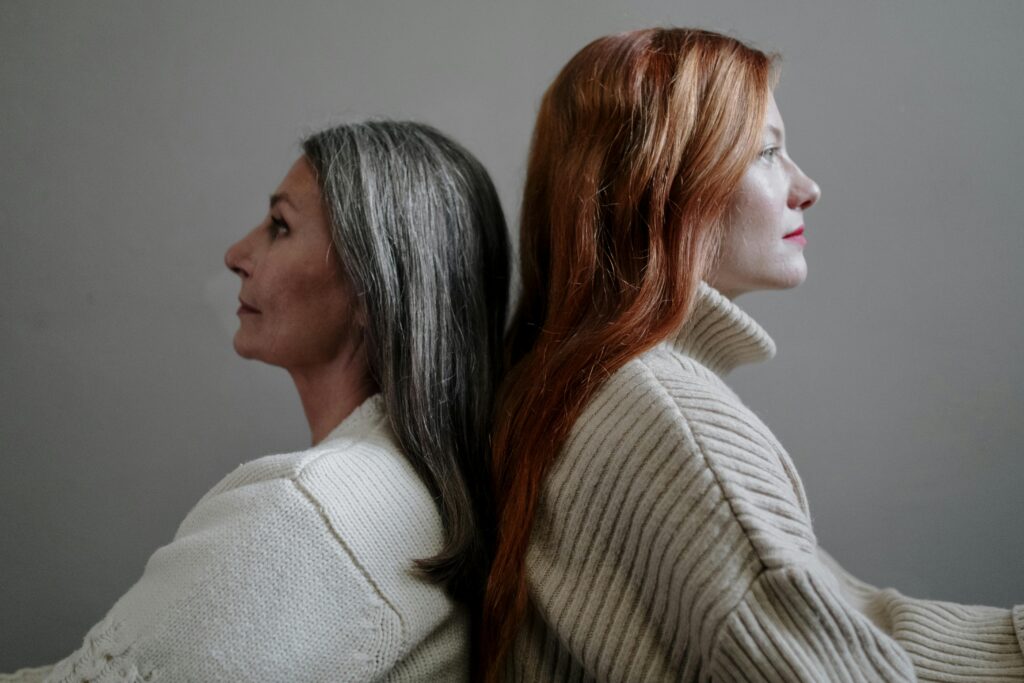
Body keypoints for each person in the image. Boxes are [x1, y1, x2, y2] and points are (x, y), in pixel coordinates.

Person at [480, 28, 1024, 682]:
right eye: (766, 152)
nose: (807, 187)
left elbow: (850, 616)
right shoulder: (676, 426)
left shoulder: (598, 387)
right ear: (656, 185)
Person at [3, 121, 509, 682]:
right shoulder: (413, 498)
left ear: (373, 289)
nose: (236, 254)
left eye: (280, 226)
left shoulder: (304, 515)